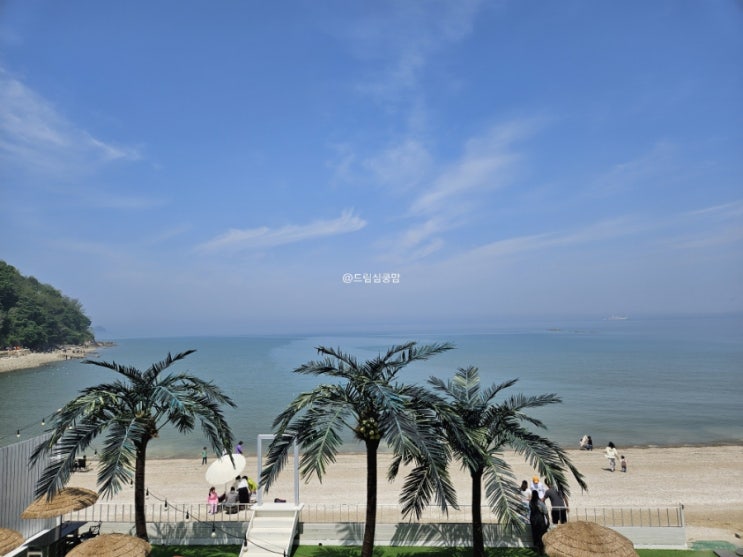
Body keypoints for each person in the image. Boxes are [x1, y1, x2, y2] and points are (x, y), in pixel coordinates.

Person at [529, 489, 549, 554]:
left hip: (533, 520)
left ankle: (537, 548)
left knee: (535, 534)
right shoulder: (540, 502)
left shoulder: (530, 502)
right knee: (542, 534)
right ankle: (542, 549)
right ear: (537, 495)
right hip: (540, 520)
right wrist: (548, 520)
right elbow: (545, 512)